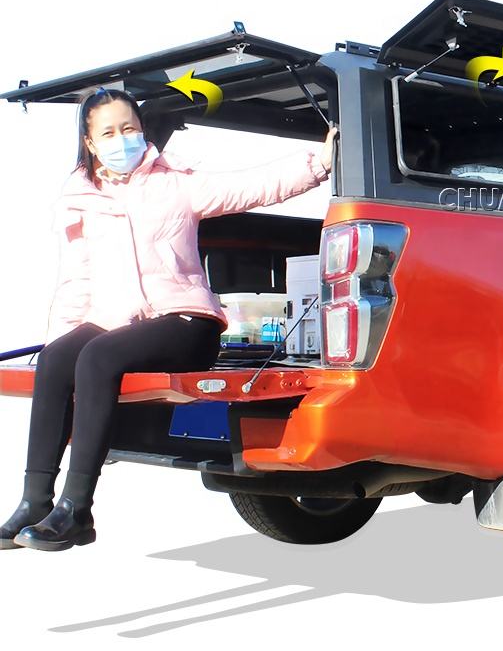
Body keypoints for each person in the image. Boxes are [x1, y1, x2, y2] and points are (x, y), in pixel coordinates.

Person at [0, 86, 337, 552]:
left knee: (97, 357)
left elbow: (251, 184)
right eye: (108, 133)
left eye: (129, 128)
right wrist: (61, 337)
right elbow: (76, 279)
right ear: (90, 142)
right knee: (57, 358)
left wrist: (319, 161)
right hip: (120, 322)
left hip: (185, 322)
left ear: (142, 132)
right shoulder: (79, 197)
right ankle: (34, 501)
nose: (122, 139)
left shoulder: (176, 182)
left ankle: (76, 509)